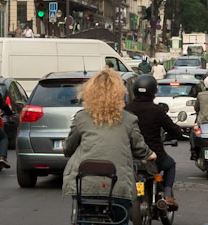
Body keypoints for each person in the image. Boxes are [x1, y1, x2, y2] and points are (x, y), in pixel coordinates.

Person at [64, 69, 153, 222]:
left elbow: (69, 148)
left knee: (83, 218)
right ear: (119, 93)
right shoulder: (129, 120)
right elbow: (139, 148)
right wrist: (150, 154)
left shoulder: (81, 118)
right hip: (118, 188)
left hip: (84, 186)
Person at [124, 75, 179, 212]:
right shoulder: (157, 110)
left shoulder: (126, 110)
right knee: (170, 165)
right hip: (154, 156)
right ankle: (167, 195)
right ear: (153, 92)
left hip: (129, 156)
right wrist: (173, 136)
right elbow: (173, 130)